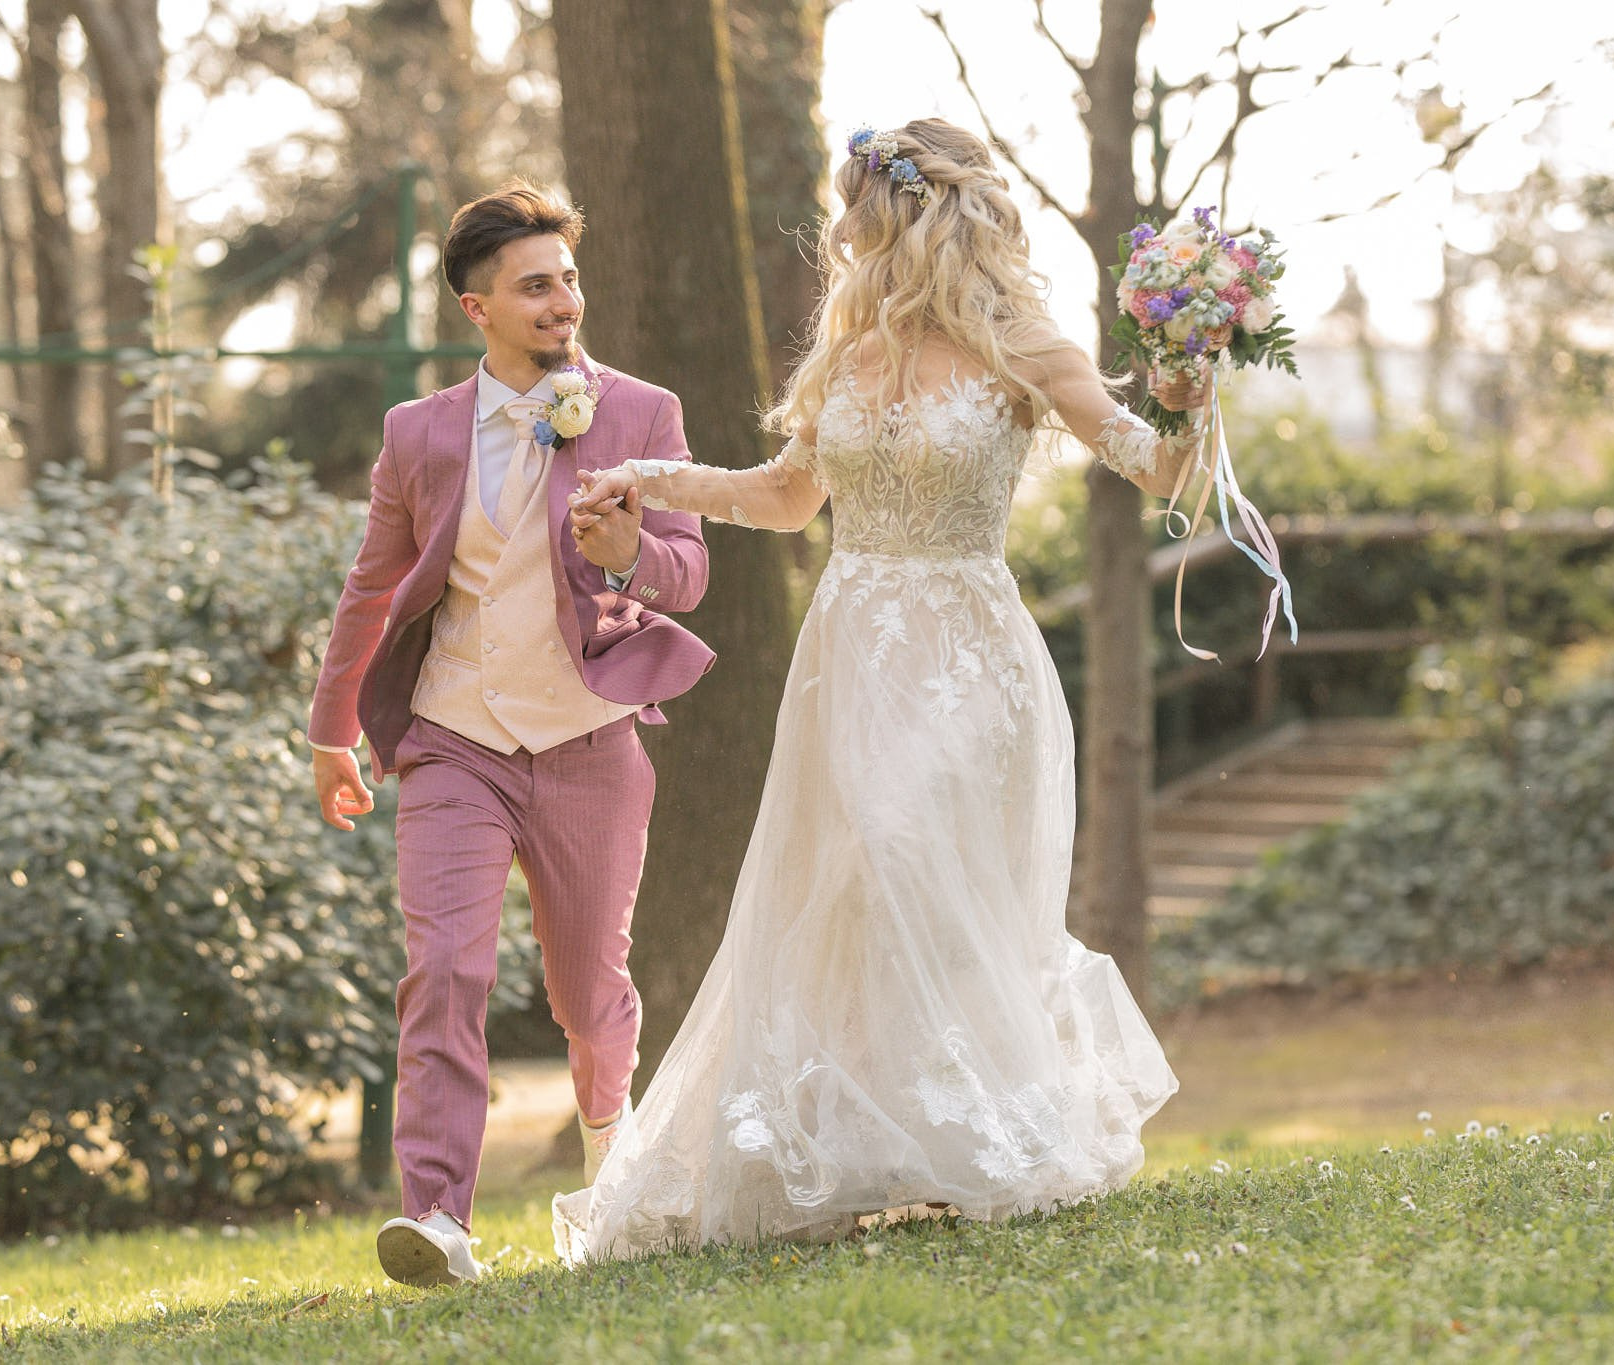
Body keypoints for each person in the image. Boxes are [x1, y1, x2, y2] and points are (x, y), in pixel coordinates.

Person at [553, 119, 1201, 1262]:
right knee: (848, 877)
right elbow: (782, 498)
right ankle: (868, 1145)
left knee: (915, 852)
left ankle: (964, 1132)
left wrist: (1193, 387)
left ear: (905, 213)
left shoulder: (1023, 345)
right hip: (851, 649)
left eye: (854, 207)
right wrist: (646, 481)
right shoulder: (844, 355)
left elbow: (1153, 464)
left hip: (968, 649)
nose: (839, 229)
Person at [306, 182, 715, 1287]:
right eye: (534, 285)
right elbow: (372, 585)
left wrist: (632, 549)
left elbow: (688, 569)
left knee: (590, 994)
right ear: (474, 307)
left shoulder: (640, 412)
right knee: (442, 966)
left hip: (589, 739)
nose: (560, 301)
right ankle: (438, 1219)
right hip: (453, 737)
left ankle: (605, 1166)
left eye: (568, 280)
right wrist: (331, 731)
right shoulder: (420, 433)